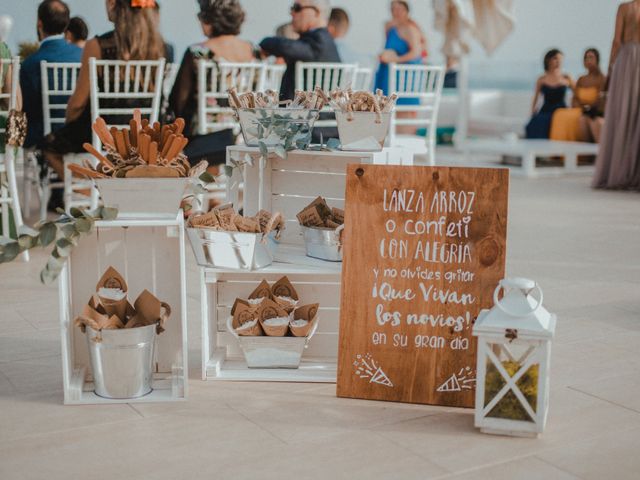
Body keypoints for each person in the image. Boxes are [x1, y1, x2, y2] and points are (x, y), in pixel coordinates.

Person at [41, 0, 165, 210]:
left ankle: (90, 190)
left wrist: (69, 116)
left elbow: (78, 102)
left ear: (116, 6)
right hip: (142, 134)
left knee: (48, 146)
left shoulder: (96, 46)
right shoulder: (160, 46)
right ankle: (114, 189)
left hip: (102, 133)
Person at [169, 0, 255, 169]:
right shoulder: (254, 50)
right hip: (244, 134)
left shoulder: (198, 52)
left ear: (208, 21)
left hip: (205, 137)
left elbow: (178, 99)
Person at [20, 1, 82, 150]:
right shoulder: (83, 56)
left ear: (39, 23)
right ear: (66, 25)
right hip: (80, 133)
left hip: (44, 135)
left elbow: (26, 108)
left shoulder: (30, 63)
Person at [593, 0, 640, 190]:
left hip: (628, 61)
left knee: (622, 114)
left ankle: (620, 170)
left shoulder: (625, 7)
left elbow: (617, 41)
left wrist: (610, 70)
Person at [260, 0, 340, 101]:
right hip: (316, 113)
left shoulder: (318, 40)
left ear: (316, 12)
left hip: (298, 114)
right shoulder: (327, 40)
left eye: (297, 7)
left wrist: (265, 42)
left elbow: (286, 47)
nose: (292, 12)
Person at [374, 0, 423, 101]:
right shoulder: (389, 26)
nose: (396, 12)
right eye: (393, 9)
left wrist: (396, 59)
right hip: (386, 70)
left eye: (399, 9)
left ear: (406, 11)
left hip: (403, 74)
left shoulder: (410, 29)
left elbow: (416, 53)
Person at [525, 49, 574, 139]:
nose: (558, 61)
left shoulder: (566, 77)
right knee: (534, 123)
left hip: (561, 110)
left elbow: (577, 93)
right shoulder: (541, 79)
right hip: (546, 109)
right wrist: (532, 111)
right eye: (555, 58)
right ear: (548, 60)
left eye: (560, 59)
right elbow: (536, 97)